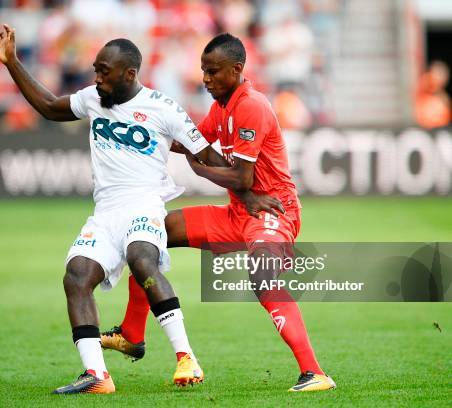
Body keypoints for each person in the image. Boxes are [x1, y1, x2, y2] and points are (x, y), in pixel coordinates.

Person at [0, 24, 221, 394]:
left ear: (129, 74)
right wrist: (12, 62)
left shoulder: (163, 108)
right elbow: (50, 106)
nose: (96, 78)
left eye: (103, 72)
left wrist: (250, 185)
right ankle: (97, 376)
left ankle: (186, 357)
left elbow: (208, 155)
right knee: (76, 277)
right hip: (106, 212)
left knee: (142, 259)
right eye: (95, 70)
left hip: (145, 203)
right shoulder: (94, 99)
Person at [101, 33, 336, 392]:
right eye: (203, 71)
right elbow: (186, 140)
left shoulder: (252, 106)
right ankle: (132, 334)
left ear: (237, 69)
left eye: (212, 72)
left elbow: (242, 175)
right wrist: (141, 126)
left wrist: (200, 169)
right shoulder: (221, 106)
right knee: (149, 234)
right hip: (239, 212)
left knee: (262, 279)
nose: (206, 79)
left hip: (273, 211)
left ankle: (315, 373)